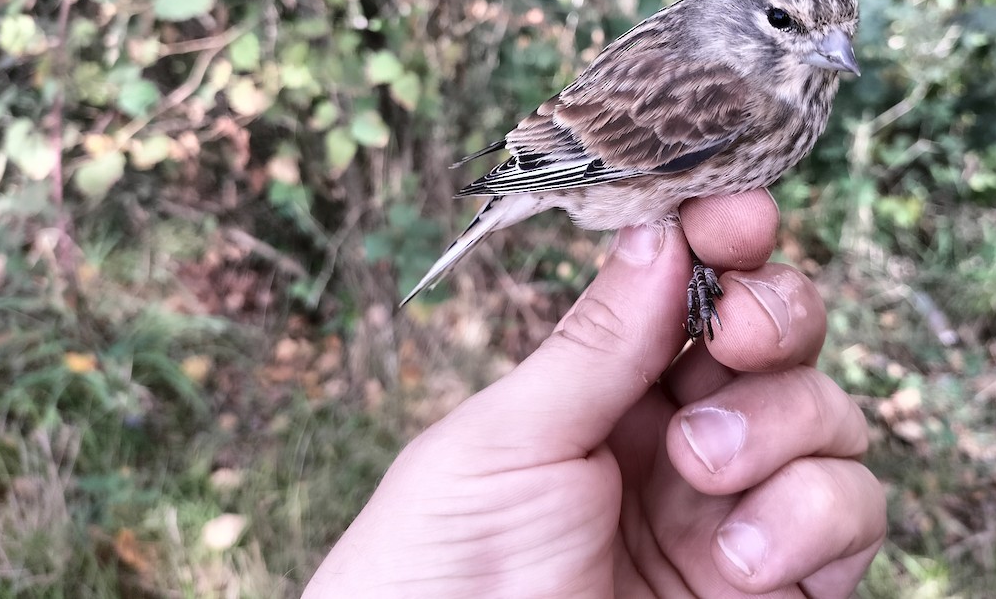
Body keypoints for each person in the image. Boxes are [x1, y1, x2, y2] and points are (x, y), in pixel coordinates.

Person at [303, 190, 886, 597]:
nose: (835, 55)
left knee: (739, 311)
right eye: (784, 24)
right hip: (587, 166)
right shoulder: (730, 88)